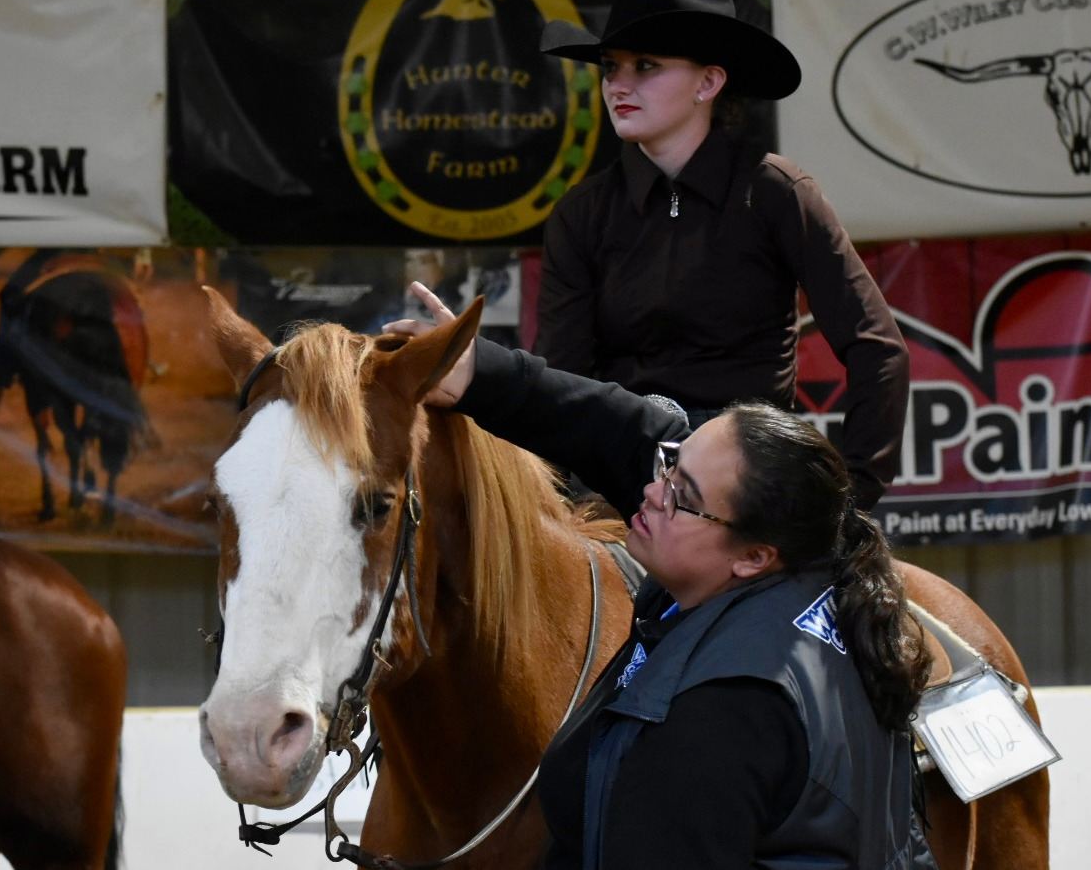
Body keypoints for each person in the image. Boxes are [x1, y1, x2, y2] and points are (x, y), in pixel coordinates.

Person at [387, 281, 931, 870]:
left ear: (754, 556)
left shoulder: (718, 713)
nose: (650, 490)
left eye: (681, 494)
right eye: (669, 465)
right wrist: (483, 374)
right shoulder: (806, 568)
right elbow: (629, 435)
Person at [533, 0, 908, 510]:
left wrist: (851, 498)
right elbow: (559, 384)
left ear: (708, 83)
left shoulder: (776, 191)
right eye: (611, 67)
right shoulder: (581, 213)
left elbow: (877, 349)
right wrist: (559, 508)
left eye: (646, 65)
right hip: (623, 481)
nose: (618, 84)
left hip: (750, 479)